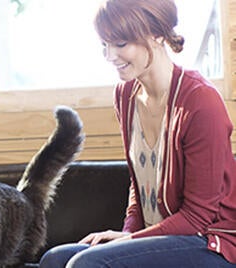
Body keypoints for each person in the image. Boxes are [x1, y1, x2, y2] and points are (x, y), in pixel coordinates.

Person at [39, 0, 236, 267]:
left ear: (157, 33)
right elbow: (140, 184)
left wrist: (130, 242)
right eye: (104, 45)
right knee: (55, 260)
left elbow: (197, 217)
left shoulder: (200, 101)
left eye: (120, 44)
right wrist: (129, 232)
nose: (110, 56)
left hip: (210, 243)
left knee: (85, 265)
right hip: (158, 239)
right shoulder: (125, 95)